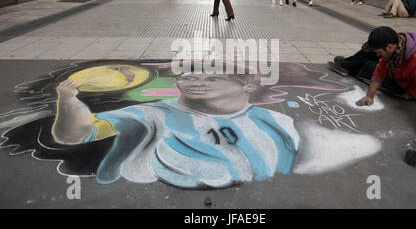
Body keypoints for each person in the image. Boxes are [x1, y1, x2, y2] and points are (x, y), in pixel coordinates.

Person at [51, 68, 300, 188]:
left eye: (213, 78)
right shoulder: (154, 112)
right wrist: (67, 100)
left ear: (248, 87)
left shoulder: (279, 123)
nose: (197, 81)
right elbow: (75, 133)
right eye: (190, 77)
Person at [329, 26, 416, 146]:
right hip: (401, 75)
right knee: (367, 53)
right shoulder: (396, 46)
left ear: (389, 47)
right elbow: (380, 70)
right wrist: (370, 96)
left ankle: (348, 65)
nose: (379, 55)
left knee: (367, 66)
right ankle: (347, 64)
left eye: (380, 52)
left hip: (411, 90)